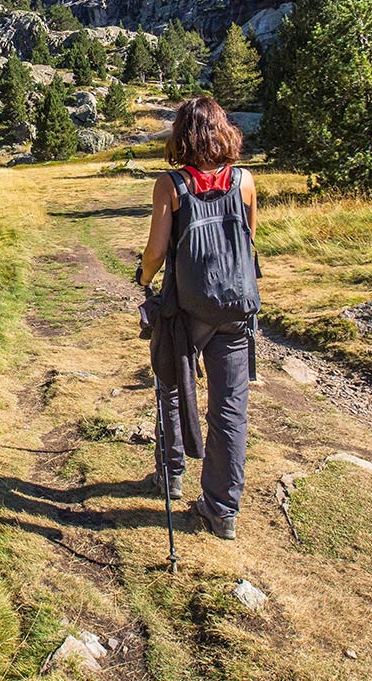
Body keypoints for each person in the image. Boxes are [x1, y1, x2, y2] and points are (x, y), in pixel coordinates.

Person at [138, 96, 259, 541]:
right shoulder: (245, 181)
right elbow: (247, 240)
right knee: (230, 408)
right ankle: (222, 508)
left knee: (171, 385)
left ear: (181, 135)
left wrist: (144, 277)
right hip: (236, 306)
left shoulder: (170, 185)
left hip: (187, 307)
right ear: (222, 131)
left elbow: (155, 252)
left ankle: (170, 476)